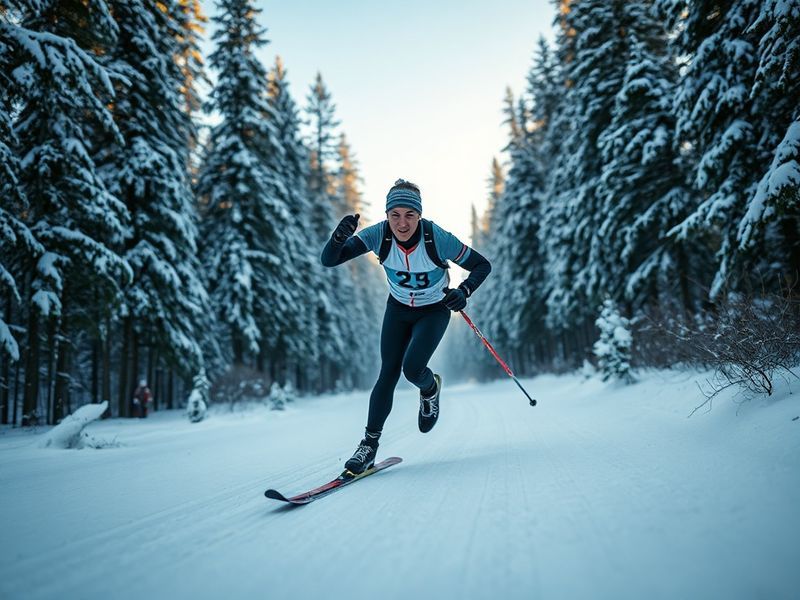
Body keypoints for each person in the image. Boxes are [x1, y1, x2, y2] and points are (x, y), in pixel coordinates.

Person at [321, 179, 491, 474]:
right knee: (387, 373)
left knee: (412, 369)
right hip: (398, 309)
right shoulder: (379, 235)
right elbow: (329, 260)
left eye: (409, 215)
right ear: (387, 215)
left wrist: (463, 291)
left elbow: (481, 265)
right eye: (395, 214)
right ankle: (368, 447)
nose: (402, 223)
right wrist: (338, 239)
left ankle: (430, 389)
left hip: (433, 310)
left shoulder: (436, 238)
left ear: (419, 215)